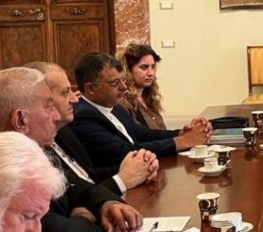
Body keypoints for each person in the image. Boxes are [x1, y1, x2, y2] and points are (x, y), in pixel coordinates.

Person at [0, 67, 143, 232]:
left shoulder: (28, 147)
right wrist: (85, 218)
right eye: (49, 107)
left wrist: (107, 204)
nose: (56, 116)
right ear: (21, 120)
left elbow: (79, 187)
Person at [26, 61, 158, 196]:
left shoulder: (63, 131)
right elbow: (72, 201)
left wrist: (138, 168)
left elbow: (89, 175)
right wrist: (122, 180)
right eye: (65, 92)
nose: (75, 99)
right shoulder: (31, 153)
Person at [68, 52, 211, 166]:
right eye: (115, 83)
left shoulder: (114, 106)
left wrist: (182, 133)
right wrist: (182, 141)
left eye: (123, 80)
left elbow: (142, 134)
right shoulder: (81, 117)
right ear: (90, 88)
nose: (124, 87)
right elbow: (125, 152)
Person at [115, 43, 167, 130]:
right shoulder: (122, 102)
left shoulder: (149, 98)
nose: (151, 73)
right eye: (144, 67)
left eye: (153, 67)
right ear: (128, 70)